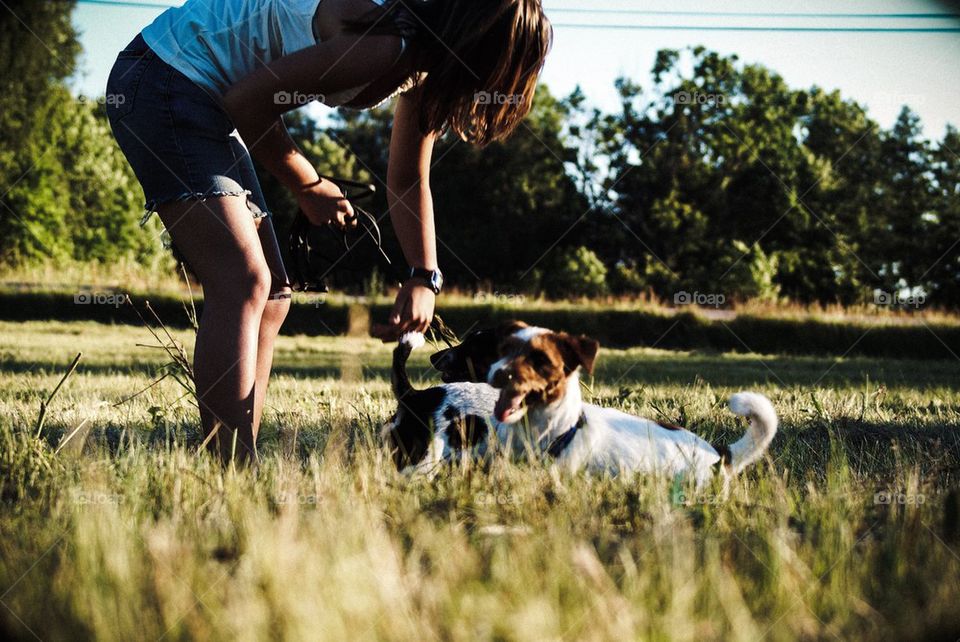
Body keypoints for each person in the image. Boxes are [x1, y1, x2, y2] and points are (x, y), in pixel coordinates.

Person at [104, 0, 552, 462]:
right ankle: (232, 468)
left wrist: (424, 276)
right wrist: (309, 185)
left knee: (274, 296)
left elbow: (407, 180)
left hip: (204, 94)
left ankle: (239, 460)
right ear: (480, 51)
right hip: (163, 77)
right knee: (241, 283)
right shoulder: (384, 43)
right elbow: (247, 101)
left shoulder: (418, 64)